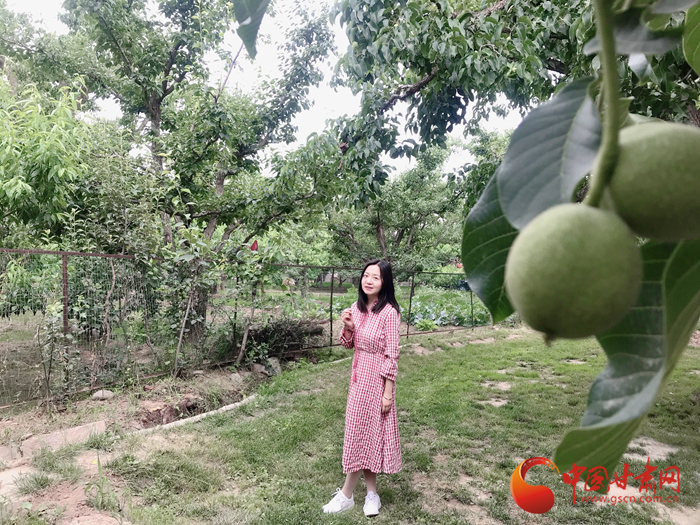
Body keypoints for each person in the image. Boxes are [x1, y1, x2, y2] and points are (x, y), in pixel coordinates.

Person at [322, 259, 402, 517]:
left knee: (366, 435)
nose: (369, 280)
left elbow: (392, 355)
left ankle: (346, 495)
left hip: (377, 382)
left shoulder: (389, 312)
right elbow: (349, 345)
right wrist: (348, 328)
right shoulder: (356, 309)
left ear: (384, 283)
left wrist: (388, 393)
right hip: (358, 381)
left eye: (375, 277)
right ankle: (371, 494)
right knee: (363, 434)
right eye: (366, 275)